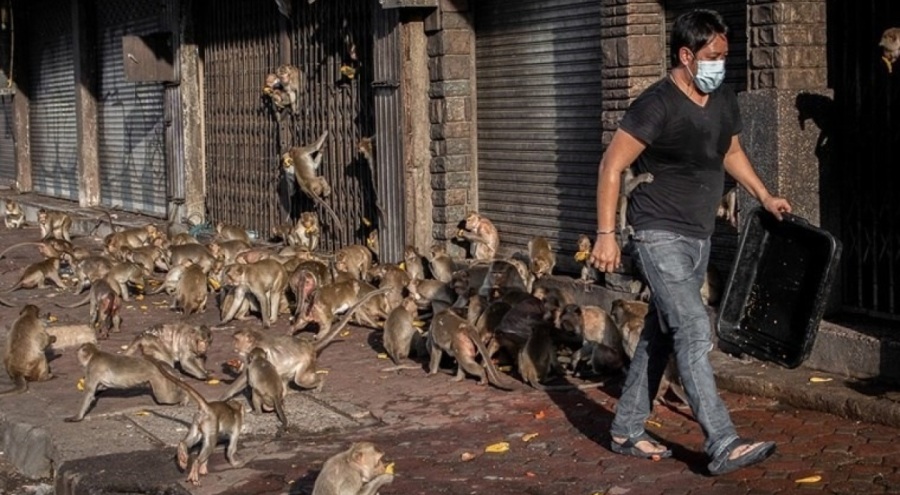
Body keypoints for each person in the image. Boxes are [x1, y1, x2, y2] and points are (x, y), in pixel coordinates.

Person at [589, 9, 791, 476]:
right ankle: (723, 441)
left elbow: (732, 151)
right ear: (686, 54)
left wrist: (764, 195)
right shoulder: (655, 104)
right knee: (695, 328)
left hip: (699, 235)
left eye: (725, 55)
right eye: (713, 56)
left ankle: (625, 427)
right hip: (657, 231)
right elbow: (612, 166)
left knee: (664, 332)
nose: (721, 64)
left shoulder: (722, 100)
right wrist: (606, 234)